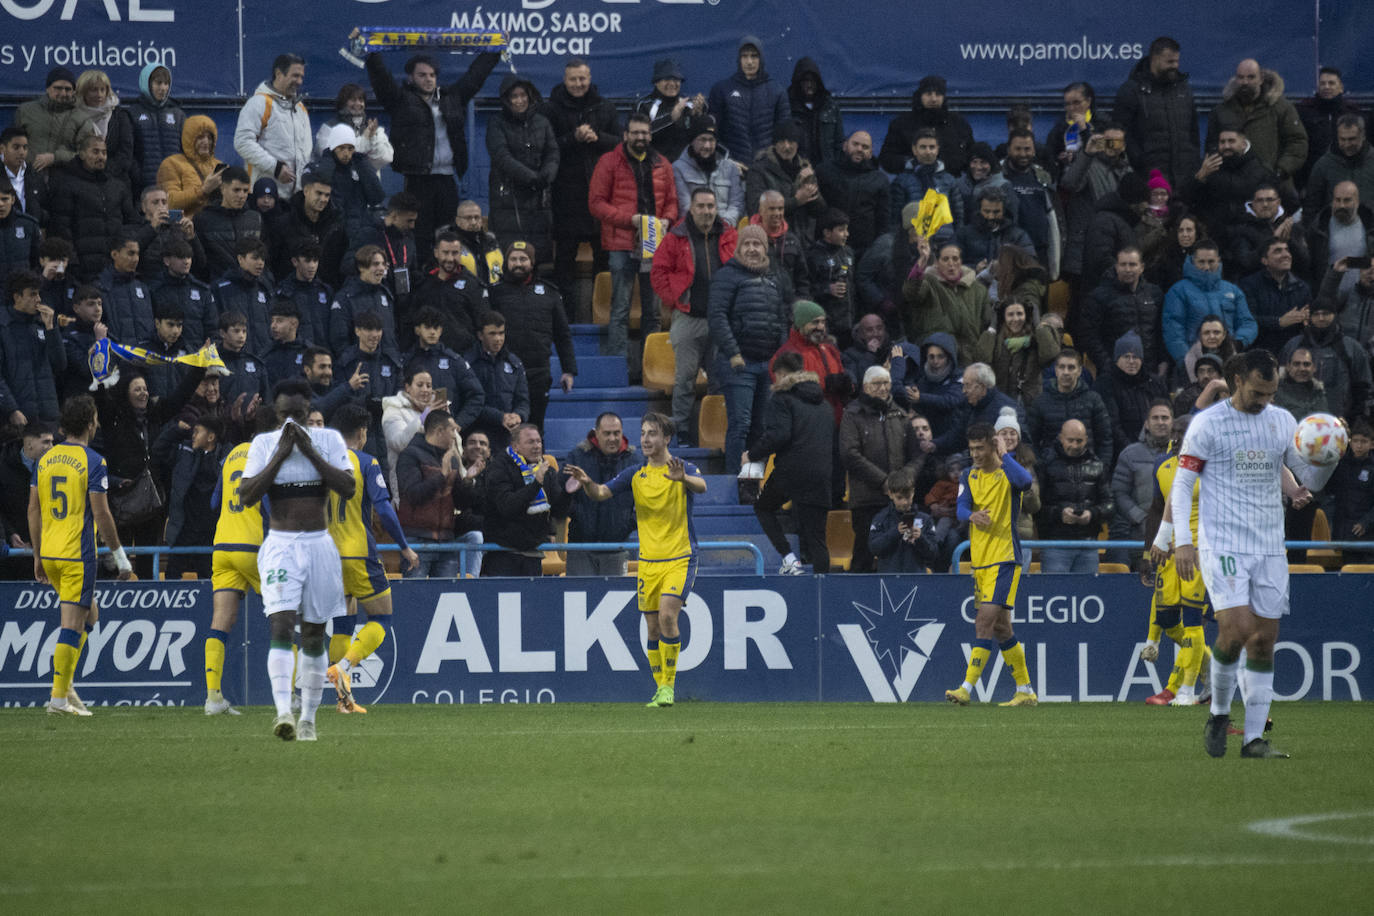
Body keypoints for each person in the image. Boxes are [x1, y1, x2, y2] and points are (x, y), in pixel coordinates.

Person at [1169, 349, 1336, 758]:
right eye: (1259, 392)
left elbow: (1308, 475)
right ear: (1238, 379)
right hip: (1222, 541)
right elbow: (1181, 482)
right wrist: (1182, 541)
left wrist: (1330, 454)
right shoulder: (1207, 424)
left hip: (1268, 545)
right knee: (1237, 630)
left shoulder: (1281, 421)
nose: (1265, 400)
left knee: (1264, 641)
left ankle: (1254, 739)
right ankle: (1220, 713)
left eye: (1271, 392)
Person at [239, 378, 357, 741]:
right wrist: (280, 453)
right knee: (280, 625)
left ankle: (309, 718)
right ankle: (283, 712)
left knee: (313, 633)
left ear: (310, 411)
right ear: (276, 413)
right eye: (285, 414)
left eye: (299, 414)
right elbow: (247, 495)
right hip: (281, 544)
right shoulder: (263, 443)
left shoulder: (329, 440)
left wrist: (309, 452)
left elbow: (348, 487)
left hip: (320, 545)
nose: (291, 421)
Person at [566, 412, 705, 708]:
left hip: (680, 556)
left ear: (666, 438)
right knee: (653, 628)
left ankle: (668, 687)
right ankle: (660, 688)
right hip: (648, 562)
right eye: (643, 433)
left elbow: (702, 487)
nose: (646, 439)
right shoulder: (635, 474)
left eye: (653, 433)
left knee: (668, 615)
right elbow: (602, 493)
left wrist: (685, 479)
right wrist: (589, 483)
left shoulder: (683, 468)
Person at [29, 394, 134, 717]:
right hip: (77, 554)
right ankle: (58, 698)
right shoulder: (94, 461)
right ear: (91, 423)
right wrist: (122, 559)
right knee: (72, 624)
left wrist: (37, 555)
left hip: (50, 552)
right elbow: (101, 515)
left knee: (91, 616)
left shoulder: (44, 460)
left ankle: (67, 686)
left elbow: (33, 510)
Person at [363, 43, 501, 263]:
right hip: (418, 179)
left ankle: (448, 277)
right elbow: (381, 79)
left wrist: (494, 51)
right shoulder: (400, 100)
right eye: (422, 75)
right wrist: (370, 53)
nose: (428, 79)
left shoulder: (452, 97)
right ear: (410, 78)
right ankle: (423, 277)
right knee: (420, 234)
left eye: (432, 75)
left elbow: (475, 77)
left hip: (447, 179)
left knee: (448, 234)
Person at [944, 422, 1037, 706]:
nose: (975, 454)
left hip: (1005, 557)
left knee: (983, 621)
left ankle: (966, 688)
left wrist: (1005, 454)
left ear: (992, 446)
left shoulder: (1008, 473)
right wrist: (971, 516)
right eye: (972, 448)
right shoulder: (969, 475)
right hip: (980, 561)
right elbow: (961, 507)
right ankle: (1025, 691)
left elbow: (1025, 483)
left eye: (980, 448)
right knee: (1001, 629)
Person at [588, 111, 679, 376]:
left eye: (645, 133)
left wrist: (667, 220)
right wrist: (631, 220)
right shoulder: (608, 162)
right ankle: (617, 368)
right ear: (625, 135)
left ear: (651, 135)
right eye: (636, 132)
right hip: (621, 244)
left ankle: (648, 369)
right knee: (620, 308)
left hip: (655, 244)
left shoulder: (663, 163)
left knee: (652, 311)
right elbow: (596, 204)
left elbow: (673, 201)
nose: (641, 137)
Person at [651, 186, 737, 442]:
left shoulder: (730, 235)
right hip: (688, 318)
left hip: (722, 320)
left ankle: (717, 431)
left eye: (711, 206)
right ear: (692, 207)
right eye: (701, 206)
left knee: (720, 381)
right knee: (684, 379)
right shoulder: (676, 236)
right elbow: (658, 272)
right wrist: (674, 298)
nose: (706, 211)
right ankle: (682, 432)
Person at [1142, 413, 1213, 707]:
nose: (1181, 436)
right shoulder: (1162, 465)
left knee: (1194, 620)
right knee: (1170, 620)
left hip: (1200, 552)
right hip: (1170, 553)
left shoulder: (1210, 466)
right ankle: (1212, 670)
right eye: (1178, 430)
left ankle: (1185, 690)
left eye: (1187, 431)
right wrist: (1149, 552)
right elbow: (1157, 509)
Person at [708, 223, 792, 470]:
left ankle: (752, 483)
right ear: (738, 248)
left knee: (763, 427)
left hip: (767, 365)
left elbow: (781, 318)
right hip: (738, 365)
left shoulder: (774, 278)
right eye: (747, 244)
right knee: (741, 425)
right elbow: (717, 316)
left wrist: (781, 359)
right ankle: (733, 482)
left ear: (765, 249)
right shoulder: (726, 275)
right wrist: (733, 352)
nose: (752, 249)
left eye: (757, 244)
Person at [203, 409, 269, 716]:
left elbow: (215, 503)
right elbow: (268, 504)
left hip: (222, 545)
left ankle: (213, 697)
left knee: (222, 621)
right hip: (251, 546)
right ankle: (293, 692)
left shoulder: (230, 457)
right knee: (285, 616)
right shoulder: (266, 456)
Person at [742, 351, 833, 575]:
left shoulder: (781, 399)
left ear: (780, 374)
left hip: (792, 470)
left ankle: (789, 559)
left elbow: (778, 435)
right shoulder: (825, 405)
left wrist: (751, 455)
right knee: (817, 539)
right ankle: (823, 592)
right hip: (822, 472)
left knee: (763, 507)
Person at [540, 57, 620, 298]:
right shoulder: (550, 108)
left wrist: (598, 138)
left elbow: (619, 144)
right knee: (564, 261)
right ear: (565, 80)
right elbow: (546, 147)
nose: (578, 83)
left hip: (601, 196)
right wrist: (572, 138)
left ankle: (601, 314)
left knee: (603, 260)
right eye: (573, 79)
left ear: (590, 77)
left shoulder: (605, 107)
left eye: (582, 78)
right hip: (565, 197)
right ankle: (566, 316)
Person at [839, 366, 924, 572]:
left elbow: (918, 455)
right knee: (864, 554)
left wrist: (903, 480)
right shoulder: (852, 414)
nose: (883, 388)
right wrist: (884, 481)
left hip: (899, 501)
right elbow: (849, 454)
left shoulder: (901, 415)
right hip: (866, 500)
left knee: (901, 553)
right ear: (866, 387)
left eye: (886, 383)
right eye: (877, 384)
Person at [486, 240, 576, 431]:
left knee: (535, 428)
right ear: (506, 262)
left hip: (539, 372)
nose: (518, 263)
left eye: (523, 259)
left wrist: (568, 370)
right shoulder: (495, 293)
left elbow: (562, 334)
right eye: (513, 259)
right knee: (505, 428)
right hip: (503, 370)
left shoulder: (550, 293)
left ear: (532, 262)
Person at [482, 423, 572, 577]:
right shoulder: (499, 468)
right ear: (515, 446)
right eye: (530, 442)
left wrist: (568, 492)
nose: (537, 446)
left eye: (538, 441)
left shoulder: (546, 470)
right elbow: (507, 506)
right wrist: (536, 484)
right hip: (503, 553)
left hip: (533, 553)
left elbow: (558, 511)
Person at [486, 74, 559, 260]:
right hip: (507, 199)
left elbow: (552, 152)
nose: (520, 100)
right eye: (514, 96)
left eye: (523, 95)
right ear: (506, 100)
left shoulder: (542, 122)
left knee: (539, 254)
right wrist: (531, 177)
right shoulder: (496, 123)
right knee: (509, 253)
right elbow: (501, 156)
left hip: (539, 199)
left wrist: (547, 175)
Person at [47, 134, 136, 281]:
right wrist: (73, 261)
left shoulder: (117, 186)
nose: (101, 156)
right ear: (81, 154)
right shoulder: (67, 185)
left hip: (115, 265)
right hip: (83, 268)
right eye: (95, 152)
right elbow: (62, 228)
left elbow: (130, 222)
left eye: (104, 152)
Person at [1111, 37, 1200, 186]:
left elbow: (1193, 132)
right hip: (1148, 178)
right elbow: (1120, 132)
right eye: (1169, 62)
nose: (1175, 66)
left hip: (1184, 179)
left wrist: (1193, 161)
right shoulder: (1132, 90)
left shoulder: (1184, 89)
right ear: (1154, 59)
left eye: (1177, 61)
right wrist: (1140, 162)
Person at [1205, 60, 1307, 187]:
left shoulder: (1281, 108)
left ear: (1261, 79)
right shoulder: (1221, 111)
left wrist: (1280, 171)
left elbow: (1297, 142)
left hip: (1273, 185)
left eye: (1251, 77)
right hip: (1231, 186)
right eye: (1241, 77)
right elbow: (1212, 146)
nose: (1245, 82)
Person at [563, 412, 638, 577]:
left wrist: (628, 525)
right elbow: (562, 494)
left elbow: (645, 502)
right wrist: (577, 515)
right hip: (580, 547)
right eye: (607, 433)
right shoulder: (577, 457)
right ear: (596, 433)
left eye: (616, 433)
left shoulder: (634, 460)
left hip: (617, 547)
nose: (612, 438)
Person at [151, 412, 224, 580]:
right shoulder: (184, 450)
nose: (193, 435)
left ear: (211, 437)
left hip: (210, 532)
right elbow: (157, 450)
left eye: (198, 431)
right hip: (184, 528)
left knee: (208, 580)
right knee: (172, 577)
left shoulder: (224, 455)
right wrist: (175, 431)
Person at [1036, 419, 1113, 574]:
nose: (1075, 445)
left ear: (1086, 440)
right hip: (1055, 544)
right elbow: (1037, 508)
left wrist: (1092, 514)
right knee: (1055, 593)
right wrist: (1059, 514)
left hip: (1088, 545)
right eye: (1070, 440)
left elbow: (1110, 505)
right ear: (1060, 438)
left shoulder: (1097, 466)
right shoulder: (1046, 465)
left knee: (1087, 594)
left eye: (1079, 441)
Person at [1162, 242, 1258, 364]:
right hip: (1194, 362)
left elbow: (1248, 323)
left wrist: (1237, 343)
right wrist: (1187, 361)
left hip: (1229, 360)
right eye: (1201, 262)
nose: (1206, 267)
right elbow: (1173, 331)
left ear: (1218, 260)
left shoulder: (1232, 290)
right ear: (1192, 261)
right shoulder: (1178, 291)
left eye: (1211, 261)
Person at [395, 408, 463, 580]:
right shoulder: (410, 455)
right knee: (415, 601)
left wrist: (468, 480)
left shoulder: (452, 458)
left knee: (448, 601)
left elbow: (461, 501)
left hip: (446, 542)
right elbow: (413, 495)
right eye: (452, 430)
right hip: (417, 540)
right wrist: (442, 476)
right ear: (439, 431)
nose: (455, 436)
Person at [233, 53, 313, 198]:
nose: (300, 81)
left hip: (295, 199)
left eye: (301, 77)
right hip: (263, 198)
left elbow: (306, 153)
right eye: (295, 75)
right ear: (278, 74)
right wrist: (275, 168)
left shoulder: (301, 108)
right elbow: (242, 142)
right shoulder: (258, 103)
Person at [901, 237, 988, 366]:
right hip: (937, 359)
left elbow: (986, 324)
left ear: (961, 261)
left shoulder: (978, 290)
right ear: (937, 263)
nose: (951, 263)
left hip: (970, 360)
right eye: (945, 259)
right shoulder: (928, 283)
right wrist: (922, 263)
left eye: (955, 258)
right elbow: (911, 293)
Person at [707, 36, 789, 168]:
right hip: (732, 168)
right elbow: (712, 132)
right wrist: (728, 162)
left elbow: (785, 133)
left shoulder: (777, 91)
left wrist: (771, 163)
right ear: (738, 59)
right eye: (744, 56)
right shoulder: (722, 89)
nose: (749, 62)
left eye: (754, 56)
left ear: (761, 59)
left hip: (767, 169)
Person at [1109, 399, 1173, 567]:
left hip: (1176, 536)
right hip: (1141, 535)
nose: (1160, 422)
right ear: (1146, 423)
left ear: (1172, 422)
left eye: (1165, 418)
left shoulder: (1183, 454)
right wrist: (1141, 518)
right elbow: (1119, 493)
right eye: (1156, 418)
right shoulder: (1130, 454)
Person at [1026, 348, 1114, 466]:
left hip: (1087, 471)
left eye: (1071, 367)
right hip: (1052, 472)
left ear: (1079, 371)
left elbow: (1105, 440)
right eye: (1062, 367)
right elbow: (1031, 441)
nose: (1066, 372)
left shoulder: (1094, 400)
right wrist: (1042, 469)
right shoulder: (1040, 402)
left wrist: (1100, 470)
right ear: (1056, 370)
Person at [0, 271, 66, 425]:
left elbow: (60, 364)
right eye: (33, 294)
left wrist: (51, 329)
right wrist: (12, 409)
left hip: (48, 413)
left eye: (39, 294)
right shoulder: (3, 327)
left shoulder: (42, 324)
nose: (39, 299)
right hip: (17, 416)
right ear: (17, 297)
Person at [878, 74, 975, 178]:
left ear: (944, 97)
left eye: (938, 94)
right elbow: (886, 158)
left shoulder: (959, 124)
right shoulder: (901, 124)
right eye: (928, 94)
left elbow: (972, 156)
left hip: (950, 185)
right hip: (911, 184)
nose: (933, 99)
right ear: (920, 96)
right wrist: (912, 163)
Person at [746, 119, 826, 243]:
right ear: (775, 144)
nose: (786, 146)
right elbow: (756, 208)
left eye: (791, 141)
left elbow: (820, 211)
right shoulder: (759, 170)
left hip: (803, 243)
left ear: (798, 144)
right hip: (771, 241)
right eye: (782, 141)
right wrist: (796, 201)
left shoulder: (805, 169)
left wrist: (810, 186)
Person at [815, 131, 889, 264]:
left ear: (871, 153)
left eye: (865, 147)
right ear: (845, 146)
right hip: (828, 249)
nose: (859, 149)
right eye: (855, 144)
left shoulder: (880, 179)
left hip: (865, 252)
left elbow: (884, 219)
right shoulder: (824, 171)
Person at [463, 311, 530, 450]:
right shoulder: (467, 363)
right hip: (477, 435)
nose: (498, 338)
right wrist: (500, 417)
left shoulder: (514, 363)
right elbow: (468, 403)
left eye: (501, 333)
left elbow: (523, 400)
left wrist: (519, 415)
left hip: (508, 435)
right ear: (480, 335)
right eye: (492, 334)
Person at [975, 299, 1060, 406]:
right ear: (1003, 317)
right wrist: (992, 326)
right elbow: (982, 359)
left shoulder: (1037, 338)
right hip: (999, 400)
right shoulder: (995, 339)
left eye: (1020, 314)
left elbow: (1050, 354)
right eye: (1010, 314)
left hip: (1028, 402)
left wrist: (1038, 324)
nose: (1015, 319)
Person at [1094, 331, 1168, 452]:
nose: (1131, 361)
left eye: (1136, 357)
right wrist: (1132, 451)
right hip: (1122, 452)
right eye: (1126, 357)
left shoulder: (1154, 383)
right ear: (1117, 359)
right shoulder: (1105, 384)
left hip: (1156, 448)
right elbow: (1112, 425)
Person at [1295, 66, 1367, 190]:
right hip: (1312, 177)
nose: (1326, 87)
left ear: (1341, 87)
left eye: (1331, 83)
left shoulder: (1353, 112)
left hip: (1346, 176)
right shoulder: (1304, 111)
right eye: (1323, 83)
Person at [14, 67, 94, 177]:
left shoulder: (83, 119)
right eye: (58, 88)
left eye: (68, 89)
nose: (63, 93)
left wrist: (55, 158)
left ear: (74, 91)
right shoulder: (25, 111)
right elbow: (13, 146)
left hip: (65, 179)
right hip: (27, 177)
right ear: (48, 88)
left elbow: (87, 154)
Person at [1239, 237, 1313, 355]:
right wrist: (1279, 322)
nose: (1285, 255)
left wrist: (1307, 319)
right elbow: (1248, 319)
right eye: (1278, 251)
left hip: (1292, 354)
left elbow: (1307, 323)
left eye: (1287, 250)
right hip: (1259, 352)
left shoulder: (1302, 287)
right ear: (1264, 260)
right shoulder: (1249, 285)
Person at [671, 115, 745, 229]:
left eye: (711, 140)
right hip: (693, 233)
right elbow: (684, 207)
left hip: (726, 231)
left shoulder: (730, 168)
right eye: (702, 140)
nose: (707, 146)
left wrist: (723, 225)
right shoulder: (678, 168)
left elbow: (736, 205)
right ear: (692, 141)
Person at [888, 128, 964, 235]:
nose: (928, 151)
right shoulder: (902, 181)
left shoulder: (949, 180)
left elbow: (959, 217)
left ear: (938, 150)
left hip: (945, 241)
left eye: (932, 147)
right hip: (914, 243)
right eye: (923, 147)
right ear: (914, 150)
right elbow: (895, 219)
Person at [635, 58, 708, 163]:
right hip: (655, 165)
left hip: (686, 167)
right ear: (656, 82)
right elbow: (639, 135)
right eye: (666, 79)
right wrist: (671, 118)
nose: (672, 84)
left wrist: (698, 116)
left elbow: (701, 137)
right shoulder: (644, 105)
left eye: (676, 79)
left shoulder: (688, 104)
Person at [868, 467, 940, 574]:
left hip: (916, 579)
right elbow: (874, 548)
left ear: (913, 493)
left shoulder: (925, 519)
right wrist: (895, 532)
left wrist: (920, 539)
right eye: (899, 498)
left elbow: (933, 554)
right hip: (889, 579)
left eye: (908, 497)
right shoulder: (881, 518)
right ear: (890, 494)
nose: (904, 502)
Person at [314, 83, 393, 177]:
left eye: (361, 100)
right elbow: (330, 156)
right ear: (343, 102)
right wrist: (365, 141)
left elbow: (386, 158)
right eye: (353, 100)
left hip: (368, 187)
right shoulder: (329, 128)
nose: (358, 104)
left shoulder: (372, 129)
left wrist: (372, 139)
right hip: (338, 186)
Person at [1304, 116, 1374, 218]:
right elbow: (1311, 206)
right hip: (1332, 227)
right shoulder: (1323, 165)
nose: (1347, 144)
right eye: (1342, 139)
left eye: (1352, 139)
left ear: (1363, 136)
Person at [157, 115, 225, 221]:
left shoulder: (218, 165)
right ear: (189, 139)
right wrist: (203, 190)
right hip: (186, 227)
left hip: (215, 228)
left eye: (209, 137)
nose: (206, 142)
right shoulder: (172, 164)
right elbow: (169, 202)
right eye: (200, 137)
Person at [806, 210, 856, 347]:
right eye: (841, 230)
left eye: (847, 230)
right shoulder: (813, 255)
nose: (846, 234)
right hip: (827, 325)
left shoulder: (848, 252)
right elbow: (806, 287)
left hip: (849, 322)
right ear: (827, 233)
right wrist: (827, 289)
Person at [788, 57, 843, 167]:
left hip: (827, 170)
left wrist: (835, 169)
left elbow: (839, 143)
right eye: (805, 81)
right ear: (798, 82)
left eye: (813, 80)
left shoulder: (830, 106)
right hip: (797, 170)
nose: (809, 85)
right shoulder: (787, 106)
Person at [1272, 346, 1328, 422]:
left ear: (1314, 368)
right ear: (1288, 367)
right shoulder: (1275, 393)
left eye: (1306, 364)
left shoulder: (1319, 394)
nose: (1302, 369)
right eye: (1296, 364)